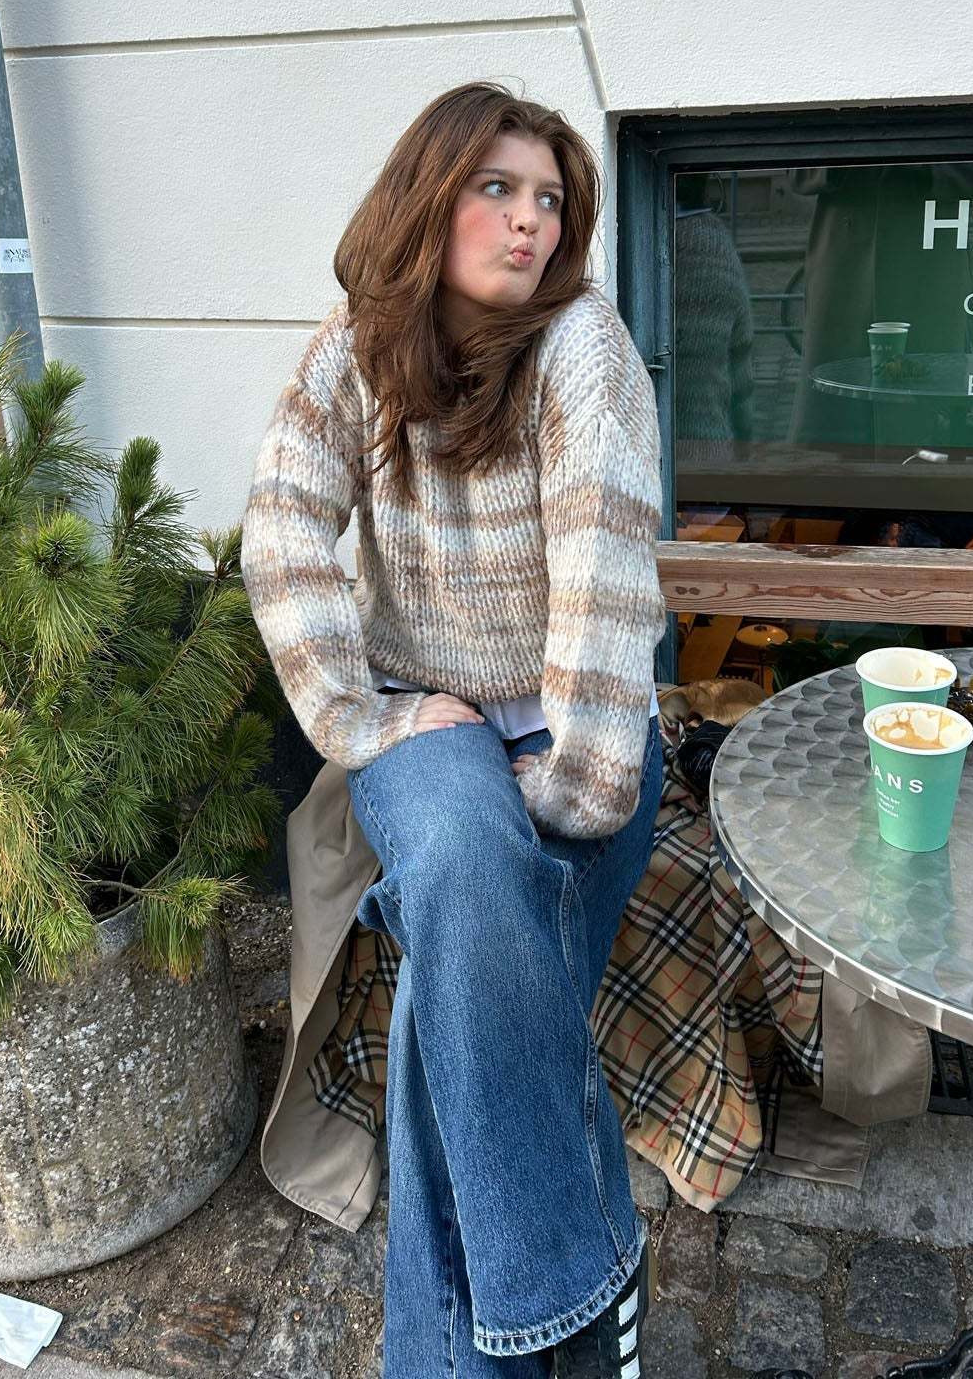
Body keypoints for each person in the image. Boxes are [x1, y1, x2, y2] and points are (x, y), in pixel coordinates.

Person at [241, 80, 668, 1377]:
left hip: (578, 735)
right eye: (497, 187)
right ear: (429, 196)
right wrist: (357, 716)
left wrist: (573, 789)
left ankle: (472, 1358)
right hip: (425, 724)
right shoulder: (357, 351)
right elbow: (279, 527)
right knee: (469, 880)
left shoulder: (581, 349)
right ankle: (585, 1304)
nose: (530, 221)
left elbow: (605, 576)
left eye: (550, 199)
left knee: (454, 1016)